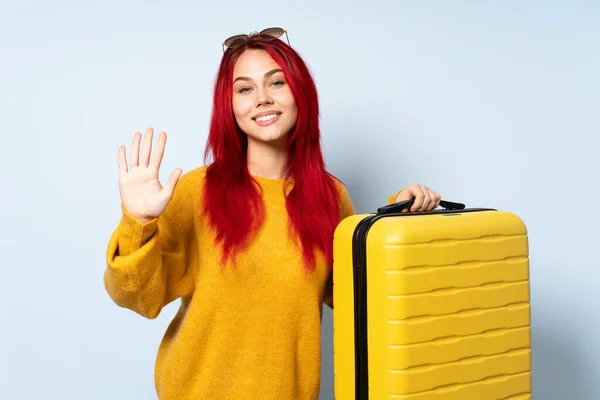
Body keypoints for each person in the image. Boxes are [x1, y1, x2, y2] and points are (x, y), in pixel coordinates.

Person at [103, 27, 442, 400]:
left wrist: (394, 221)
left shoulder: (330, 196)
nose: (262, 99)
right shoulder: (195, 192)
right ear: (230, 107)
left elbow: (357, 301)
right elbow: (138, 299)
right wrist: (139, 223)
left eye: (276, 83)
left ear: (300, 94)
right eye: (245, 89)